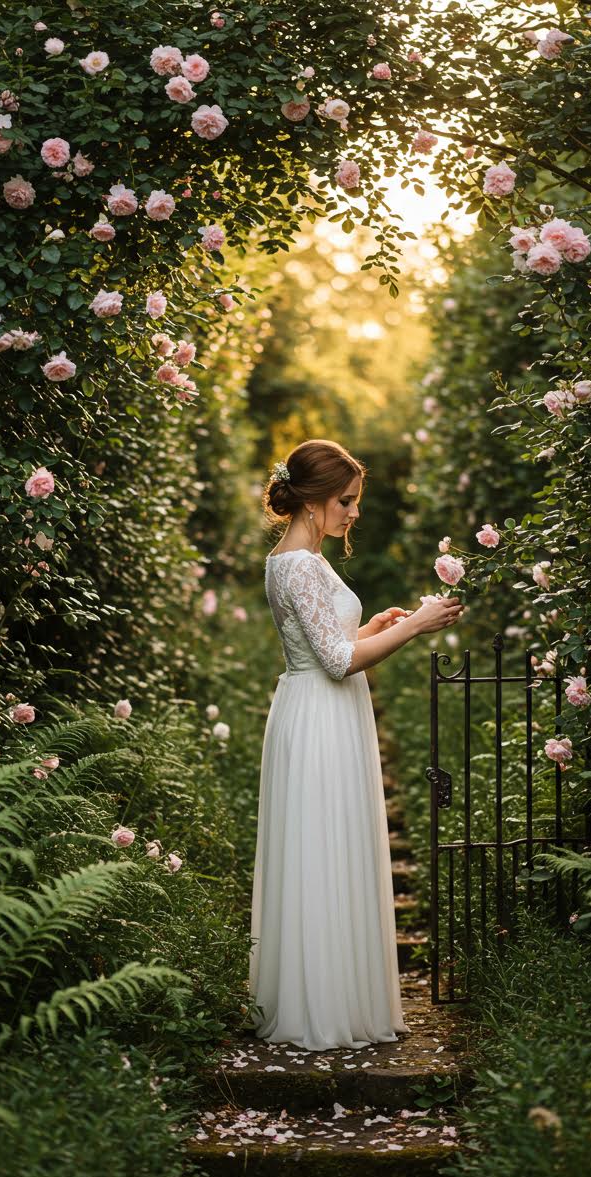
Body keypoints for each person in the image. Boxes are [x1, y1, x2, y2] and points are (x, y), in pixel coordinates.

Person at [248, 438, 463, 1050]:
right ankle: (321, 1006)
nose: (354, 512)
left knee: (328, 844)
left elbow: (327, 640)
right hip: (319, 715)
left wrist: (368, 628)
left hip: (320, 709)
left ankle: (334, 994)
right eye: (346, 500)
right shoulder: (296, 564)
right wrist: (418, 625)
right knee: (322, 847)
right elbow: (339, 663)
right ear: (313, 502)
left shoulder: (296, 560)